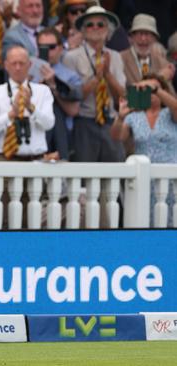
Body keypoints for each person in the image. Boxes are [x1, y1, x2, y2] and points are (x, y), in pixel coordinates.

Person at [111, 75, 177, 226]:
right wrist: (120, 117)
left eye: (153, 90)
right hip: (144, 179)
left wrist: (156, 89)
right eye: (146, 90)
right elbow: (117, 136)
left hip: (171, 180)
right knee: (145, 222)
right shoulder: (134, 116)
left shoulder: (170, 113)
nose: (151, 94)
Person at [63, 6, 126, 162]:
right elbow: (72, 97)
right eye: (90, 24)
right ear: (83, 31)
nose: (95, 28)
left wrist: (108, 75)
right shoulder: (71, 57)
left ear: (108, 29)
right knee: (84, 178)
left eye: (100, 24)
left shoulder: (116, 57)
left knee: (114, 178)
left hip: (110, 122)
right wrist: (96, 79)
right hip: (84, 123)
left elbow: (123, 96)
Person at [0, 46, 55, 161]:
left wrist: (31, 108)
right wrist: (11, 114)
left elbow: (49, 124)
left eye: (22, 63)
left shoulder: (43, 91)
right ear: (6, 65)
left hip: (35, 158)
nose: (18, 68)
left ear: (30, 65)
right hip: (4, 158)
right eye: (14, 63)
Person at [36, 28, 83, 160]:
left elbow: (73, 110)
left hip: (62, 136)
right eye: (42, 47)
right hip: (34, 132)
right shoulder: (28, 71)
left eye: (51, 47)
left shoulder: (71, 76)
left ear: (61, 48)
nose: (47, 51)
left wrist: (53, 87)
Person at [120, 14, 175, 93]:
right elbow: (119, 94)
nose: (143, 38)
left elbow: (172, 97)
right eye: (140, 33)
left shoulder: (163, 63)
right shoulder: (120, 59)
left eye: (147, 34)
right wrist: (158, 79)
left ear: (154, 39)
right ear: (132, 37)